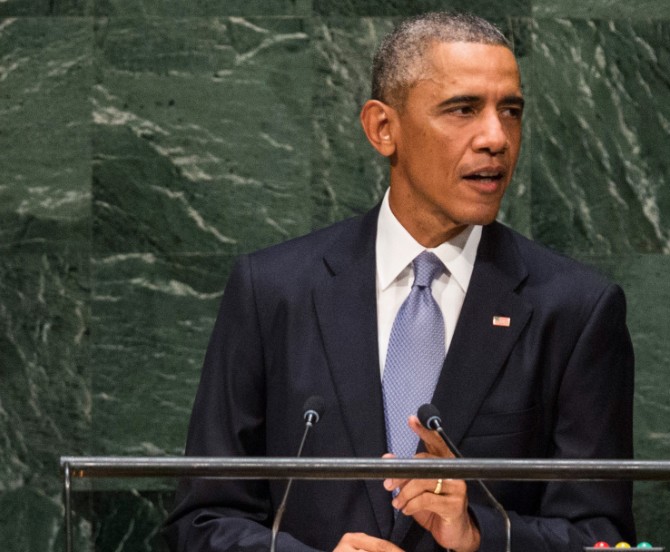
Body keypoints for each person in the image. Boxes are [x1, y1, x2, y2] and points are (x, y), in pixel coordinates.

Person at [163, 12, 635, 552]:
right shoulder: (273, 291)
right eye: (463, 109)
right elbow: (201, 521)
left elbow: (602, 536)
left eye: (511, 111)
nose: (496, 138)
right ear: (383, 129)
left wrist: (481, 533)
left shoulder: (575, 310)